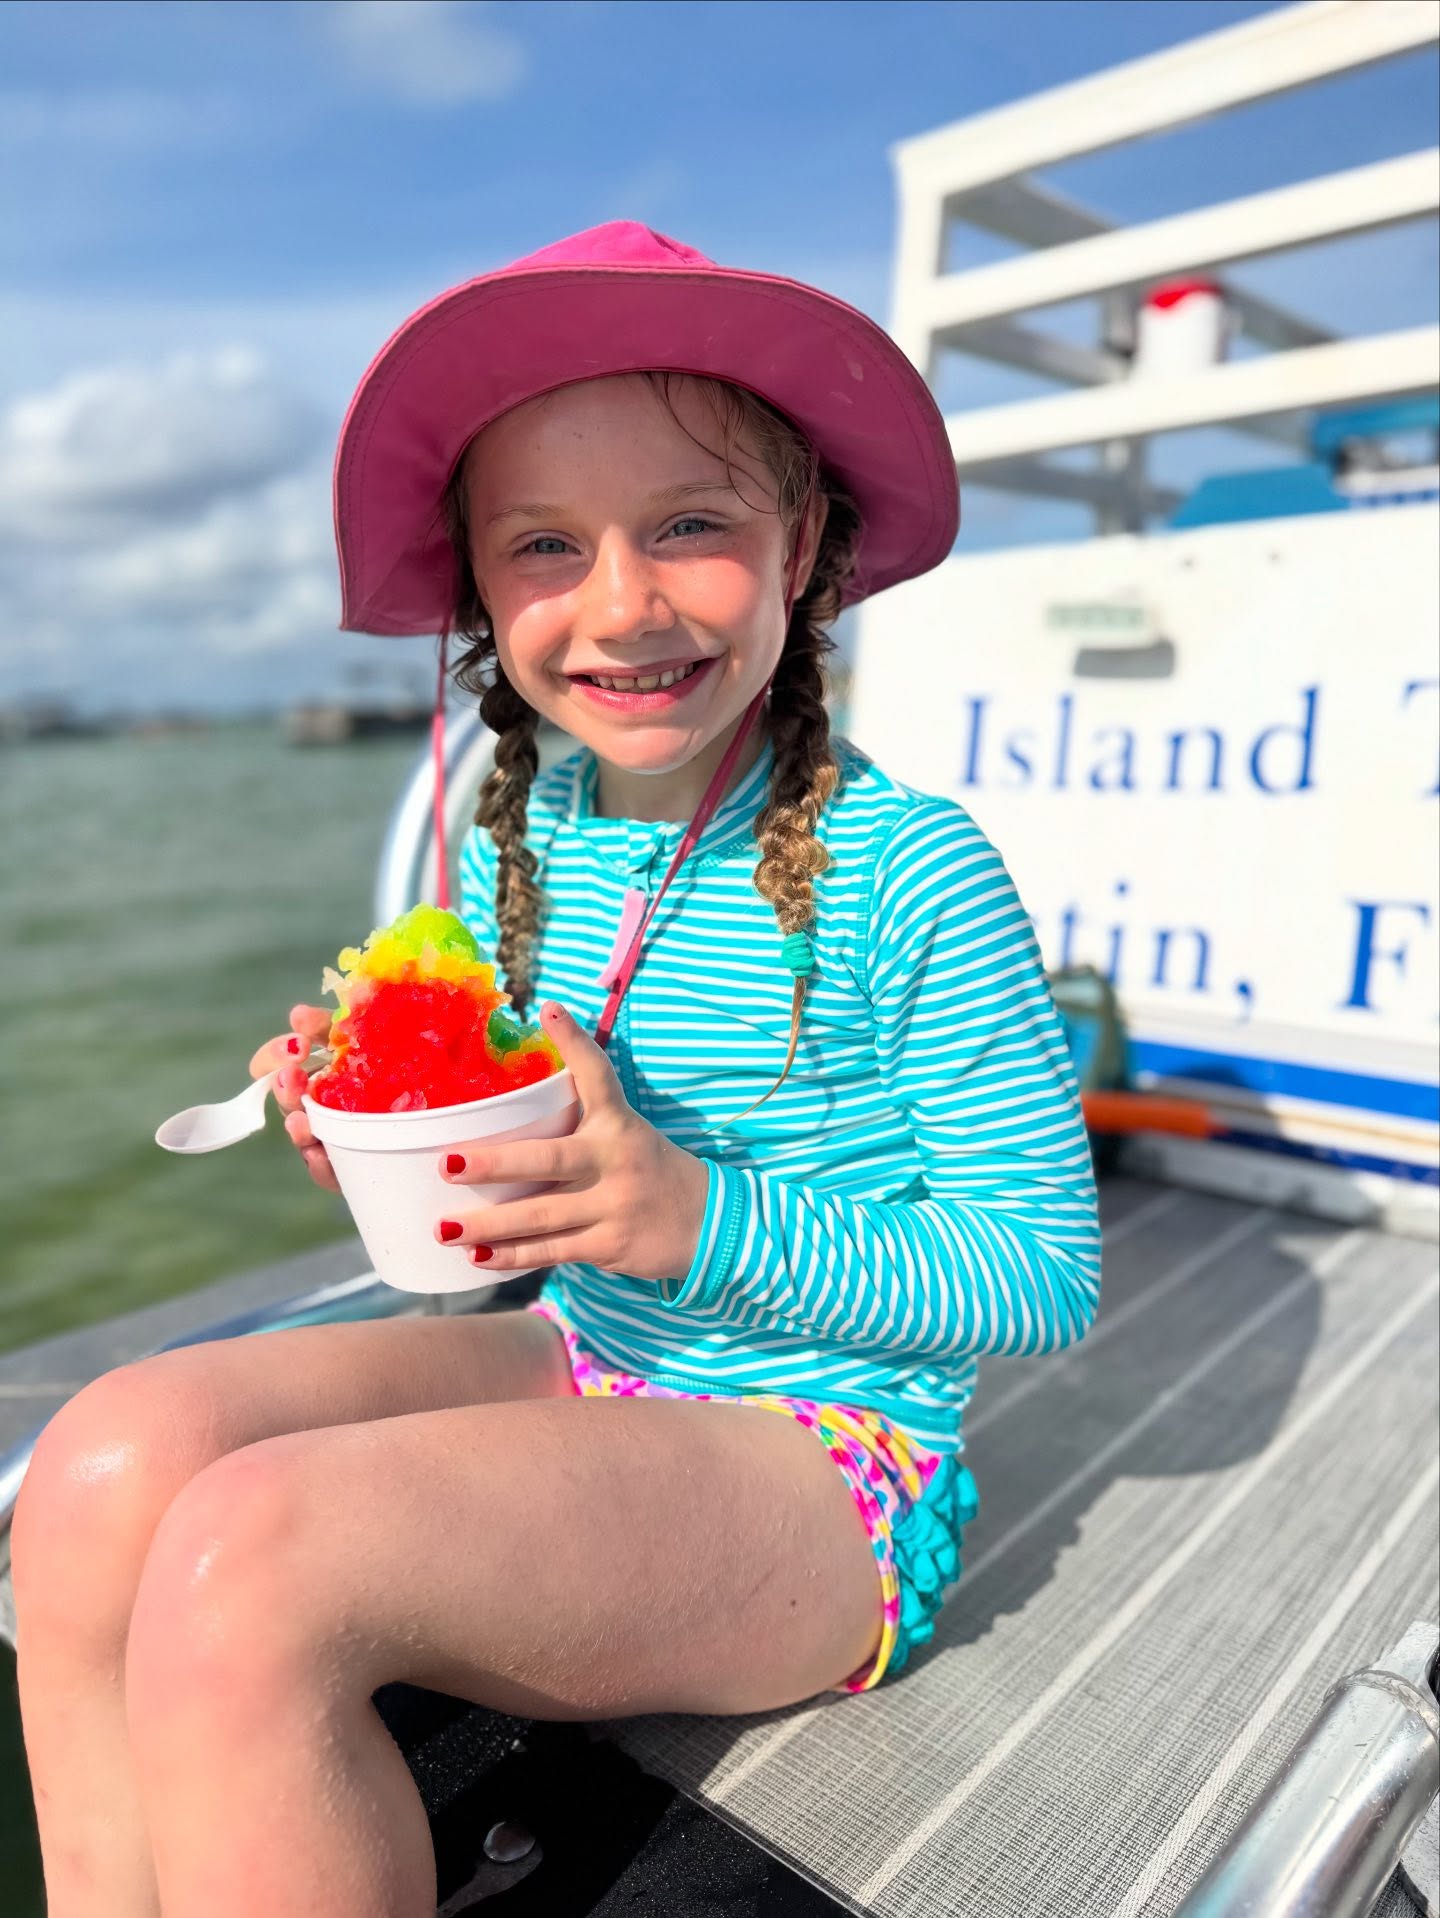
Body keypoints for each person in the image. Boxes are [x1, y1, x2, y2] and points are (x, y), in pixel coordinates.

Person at [12, 223, 1100, 1918]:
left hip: (833, 1462)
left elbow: (1037, 1275)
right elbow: (522, 1198)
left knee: (253, 1567)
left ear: (803, 544)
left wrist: (686, 1215)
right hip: (582, 1362)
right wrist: (384, 1122)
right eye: (544, 544)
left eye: (691, 525)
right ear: (475, 586)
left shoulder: (912, 869)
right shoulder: (527, 837)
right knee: (101, 1463)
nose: (621, 602)